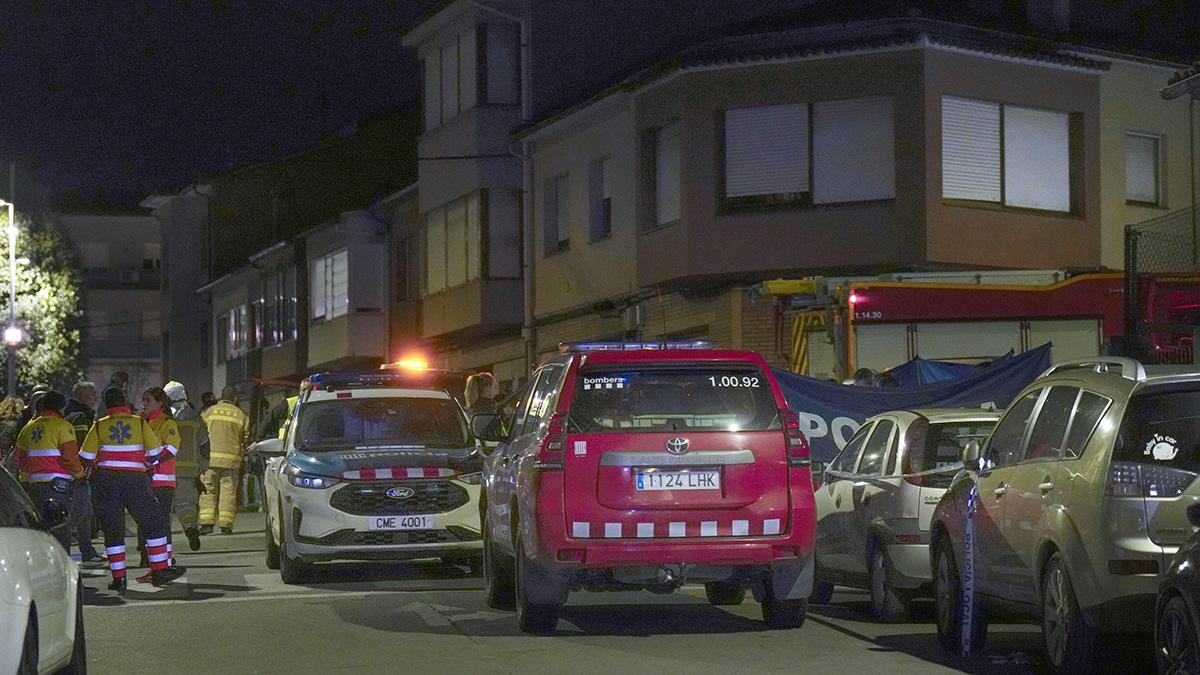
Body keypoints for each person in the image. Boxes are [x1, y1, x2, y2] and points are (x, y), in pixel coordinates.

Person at [81, 387, 186, 592]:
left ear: (107, 405)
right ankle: (159, 570)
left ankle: (119, 578)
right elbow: (155, 452)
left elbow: (85, 457)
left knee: (113, 530)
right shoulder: (139, 423)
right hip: (135, 480)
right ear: (125, 403)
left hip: (105, 482)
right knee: (154, 523)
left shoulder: (99, 426)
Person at [12, 390, 85, 549]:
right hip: (58, 487)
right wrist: (80, 474)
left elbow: (18, 459)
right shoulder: (63, 426)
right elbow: (70, 458)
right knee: (60, 529)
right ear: (61, 408)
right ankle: (62, 567)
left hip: (35, 487)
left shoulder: (28, 428)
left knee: (40, 530)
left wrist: (30, 475)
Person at [134, 386, 181, 583]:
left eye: (148, 400)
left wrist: (150, 461)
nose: (144, 403)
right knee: (144, 524)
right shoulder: (142, 423)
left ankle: (165, 563)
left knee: (160, 524)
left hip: (162, 481)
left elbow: (172, 448)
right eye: (143, 399)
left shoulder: (167, 423)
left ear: (160, 403)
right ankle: (150, 563)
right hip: (143, 479)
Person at [163, 380, 209, 551]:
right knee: (186, 505)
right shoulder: (195, 418)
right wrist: (203, 467)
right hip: (189, 472)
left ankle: (164, 547)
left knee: (164, 511)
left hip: (164, 471)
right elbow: (204, 445)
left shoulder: (163, 418)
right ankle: (190, 526)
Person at [63, 381, 105, 564]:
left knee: (84, 514)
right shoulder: (80, 416)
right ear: (82, 396)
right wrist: (84, 470)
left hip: (76, 473)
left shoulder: (76, 414)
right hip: (79, 474)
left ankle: (86, 550)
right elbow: (82, 447)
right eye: (92, 394)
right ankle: (83, 551)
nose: (95, 398)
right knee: (80, 515)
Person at [199, 385, 247, 535]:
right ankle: (226, 525)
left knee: (208, 491)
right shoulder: (240, 415)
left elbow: (200, 434)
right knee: (228, 493)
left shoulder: (209, 412)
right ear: (235, 398)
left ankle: (207, 524)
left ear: (221, 397)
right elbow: (245, 438)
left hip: (209, 460)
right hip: (231, 462)